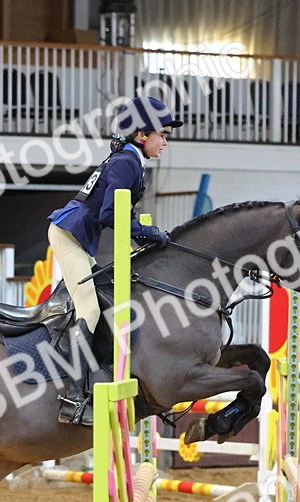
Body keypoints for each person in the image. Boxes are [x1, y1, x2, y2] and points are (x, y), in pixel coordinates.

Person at [47, 95, 183, 425]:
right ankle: (72, 398)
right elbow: (111, 214)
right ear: (142, 134)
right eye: (162, 135)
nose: (165, 142)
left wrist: (146, 237)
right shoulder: (126, 162)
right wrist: (149, 233)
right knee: (90, 309)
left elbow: (120, 214)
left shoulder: (130, 158)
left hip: (78, 237)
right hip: (69, 235)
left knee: (102, 299)